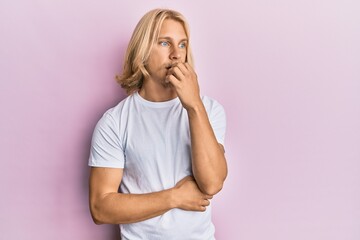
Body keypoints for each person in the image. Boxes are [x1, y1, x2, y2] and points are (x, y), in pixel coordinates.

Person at [88, 8, 227, 240]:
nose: (176, 54)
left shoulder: (209, 110)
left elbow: (212, 182)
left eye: (182, 45)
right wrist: (175, 197)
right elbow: (100, 207)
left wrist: (193, 106)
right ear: (142, 51)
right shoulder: (114, 122)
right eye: (165, 43)